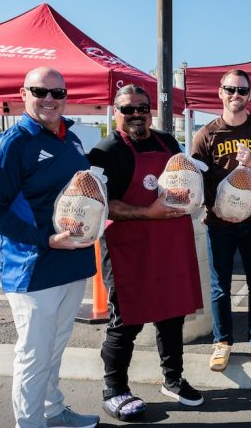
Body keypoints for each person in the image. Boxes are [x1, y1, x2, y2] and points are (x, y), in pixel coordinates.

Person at [0, 67, 99, 428]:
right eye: (40, 91)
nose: (49, 99)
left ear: (65, 96)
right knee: (33, 354)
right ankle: (29, 424)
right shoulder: (8, 145)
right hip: (32, 268)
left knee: (54, 350)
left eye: (57, 92)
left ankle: (52, 411)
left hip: (72, 263)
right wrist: (44, 238)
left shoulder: (71, 139)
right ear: (23, 93)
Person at [87, 85, 204, 420]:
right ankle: (114, 389)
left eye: (142, 107)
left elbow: (182, 180)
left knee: (172, 314)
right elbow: (101, 204)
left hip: (170, 245)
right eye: (128, 109)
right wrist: (147, 212)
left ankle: (173, 379)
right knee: (126, 322)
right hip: (129, 249)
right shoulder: (105, 152)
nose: (137, 114)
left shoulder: (167, 142)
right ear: (116, 112)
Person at [191, 69, 251, 371]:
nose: (236, 95)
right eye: (230, 89)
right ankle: (223, 342)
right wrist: (212, 206)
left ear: (249, 95)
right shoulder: (206, 134)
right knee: (220, 287)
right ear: (220, 92)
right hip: (219, 224)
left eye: (242, 91)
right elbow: (196, 179)